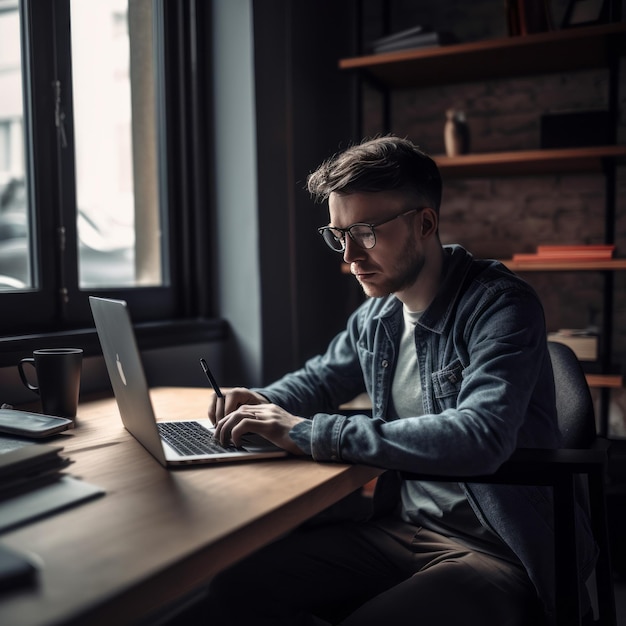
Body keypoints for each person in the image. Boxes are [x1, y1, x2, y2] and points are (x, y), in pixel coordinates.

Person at [204, 136, 596, 625]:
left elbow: (482, 436)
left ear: (425, 223)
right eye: (337, 234)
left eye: (365, 231)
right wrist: (260, 403)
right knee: (234, 589)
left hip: (499, 550)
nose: (347, 257)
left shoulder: (500, 305)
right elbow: (320, 380)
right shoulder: (376, 317)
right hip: (402, 529)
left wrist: (309, 433)